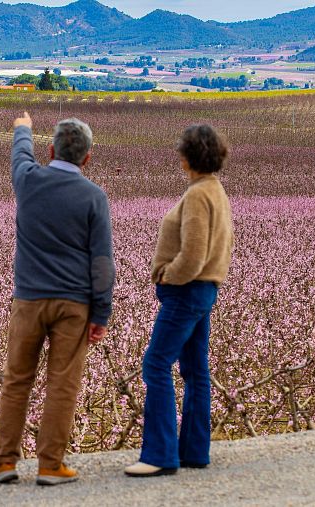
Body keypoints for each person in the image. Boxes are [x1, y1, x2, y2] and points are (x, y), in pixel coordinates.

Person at [0, 112, 115, 486]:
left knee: (16, 381)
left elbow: (19, 156)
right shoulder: (94, 196)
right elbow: (102, 261)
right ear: (88, 158)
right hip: (74, 305)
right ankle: (50, 465)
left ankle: (4, 463)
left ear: (50, 150)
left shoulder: (29, 181)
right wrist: (101, 312)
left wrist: (22, 127)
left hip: (28, 299)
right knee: (62, 384)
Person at [125, 124, 234, 477]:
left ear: (188, 157)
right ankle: (193, 452)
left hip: (187, 291)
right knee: (195, 371)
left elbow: (193, 254)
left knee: (155, 365)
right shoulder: (215, 191)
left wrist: (166, 274)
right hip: (203, 291)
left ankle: (159, 455)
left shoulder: (200, 195)